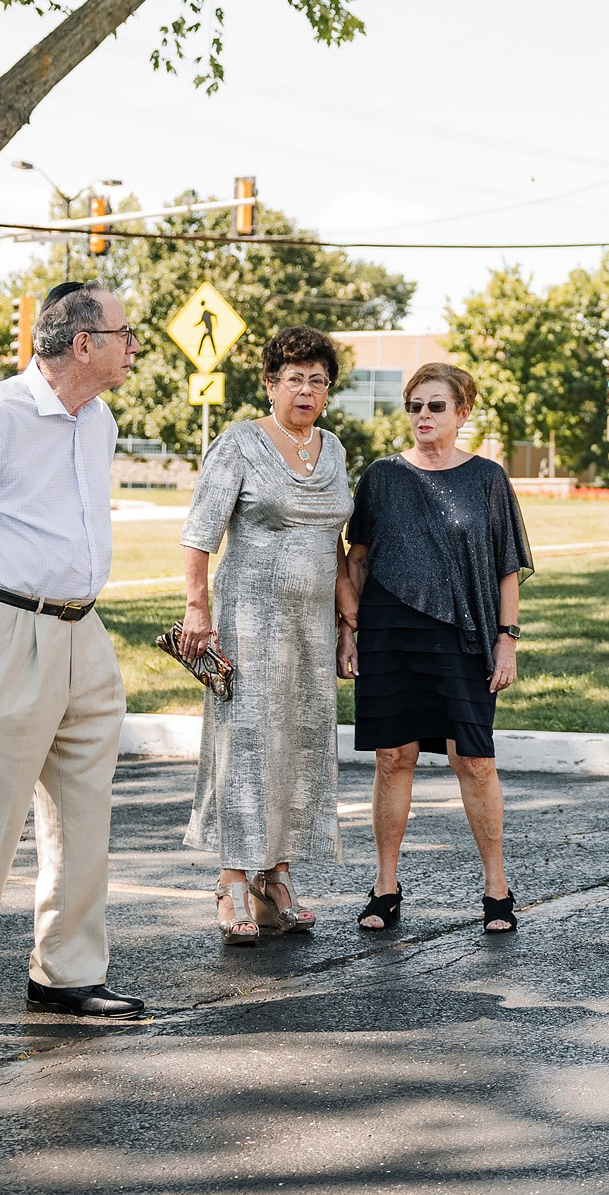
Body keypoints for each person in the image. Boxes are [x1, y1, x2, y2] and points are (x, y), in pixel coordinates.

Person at [0, 281, 145, 1046]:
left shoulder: (98, 419)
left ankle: (66, 974)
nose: (132, 344)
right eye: (123, 331)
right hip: (3, 626)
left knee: (83, 812)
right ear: (83, 343)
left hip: (84, 631)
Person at [339, 361, 532, 934]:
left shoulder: (489, 478)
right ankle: (385, 886)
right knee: (393, 758)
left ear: (463, 411)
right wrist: (348, 632)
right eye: (415, 406)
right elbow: (357, 558)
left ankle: (497, 888)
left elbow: (505, 570)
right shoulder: (380, 477)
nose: (424, 416)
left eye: (436, 406)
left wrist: (507, 641)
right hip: (390, 631)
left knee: (474, 760)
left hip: (464, 632)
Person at [177, 326, 353, 945]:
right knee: (247, 745)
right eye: (294, 378)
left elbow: (333, 543)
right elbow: (201, 534)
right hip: (247, 622)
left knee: (301, 747)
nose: (306, 390)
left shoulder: (331, 448)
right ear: (271, 384)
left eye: (318, 380)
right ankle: (231, 881)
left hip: (310, 627)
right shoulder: (240, 445)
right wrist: (197, 611)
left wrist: (348, 621)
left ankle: (275, 878)